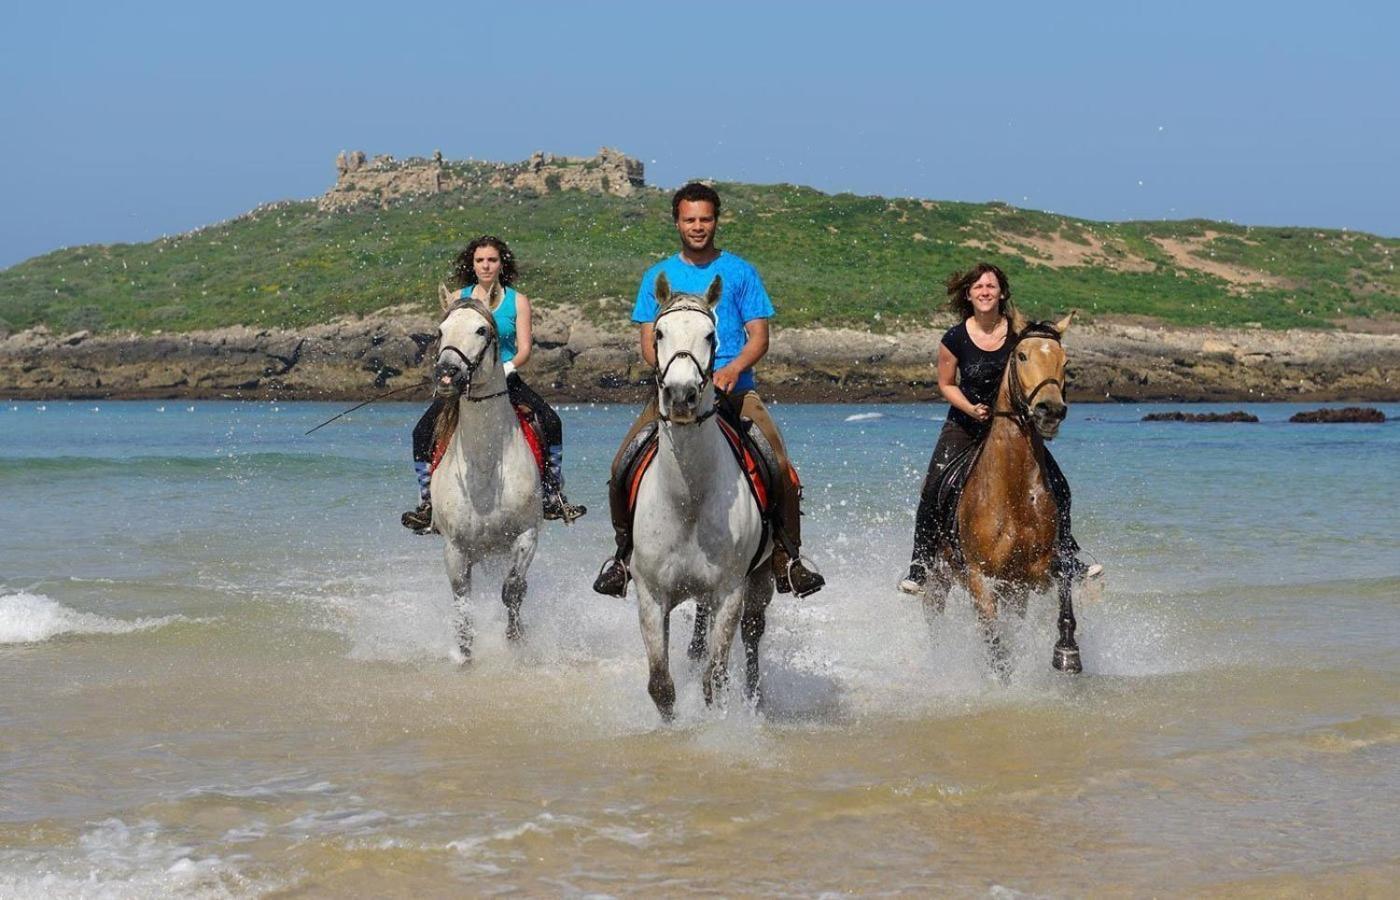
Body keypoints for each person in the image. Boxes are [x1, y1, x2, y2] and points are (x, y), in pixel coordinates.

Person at [592, 182, 825, 598]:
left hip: (735, 393)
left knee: (780, 464)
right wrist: (674, 375)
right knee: (620, 465)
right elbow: (649, 343)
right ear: (677, 222)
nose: (697, 226)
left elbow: (759, 336)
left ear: (716, 221)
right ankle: (623, 557)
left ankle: (789, 558)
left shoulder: (740, 272)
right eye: (689, 219)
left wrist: (733, 369)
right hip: (674, 393)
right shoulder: (657, 277)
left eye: (705, 219)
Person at [899, 262, 1102, 593]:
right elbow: (946, 384)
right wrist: (970, 407)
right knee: (934, 485)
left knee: (1059, 486)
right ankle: (920, 562)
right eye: (978, 287)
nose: (985, 292)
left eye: (991, 286)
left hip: (1014, 427)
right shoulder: (954, 338)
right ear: (969, 294)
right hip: (965, 423)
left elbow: (1039, 362)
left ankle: (1066, 553)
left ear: (1002, 293)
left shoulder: (1016, 334)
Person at [401, 235, 585, 531]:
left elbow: (525, 348)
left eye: (492, 260)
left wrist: (507, 368)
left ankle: (552, 494)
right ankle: (427, 502)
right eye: (480, 260)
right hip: (464, 383)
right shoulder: (458, 297)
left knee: (551, 422)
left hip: (506, 378)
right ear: (472, 264)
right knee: (422, 432)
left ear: (502, 264)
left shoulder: (517, 301)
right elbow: (450, 340)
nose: (486, 265)